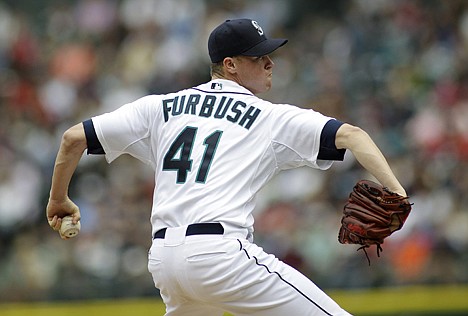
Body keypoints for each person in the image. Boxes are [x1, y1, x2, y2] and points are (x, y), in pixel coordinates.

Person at [47, 18, 407, 316]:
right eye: (258, 57)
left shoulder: (160, 107)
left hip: (165, 262)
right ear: (230, 65)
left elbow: (72, 138)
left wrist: (58, 200)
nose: (270, 63)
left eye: (269, 55)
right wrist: (397, 191)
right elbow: (353, 135)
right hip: (220, 256)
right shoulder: (269, 117)